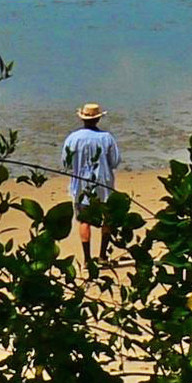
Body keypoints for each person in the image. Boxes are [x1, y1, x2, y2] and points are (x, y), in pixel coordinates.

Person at [62, 102, 121, 271]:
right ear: (98, 119)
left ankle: (87, 259)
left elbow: (65, 163)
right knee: (107, 218)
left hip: (81, 185)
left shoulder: (72, 138)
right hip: (104, 184)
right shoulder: (107, 138)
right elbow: (115, 161)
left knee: (84, 220)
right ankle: (102, 256)